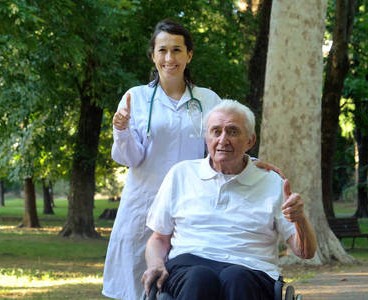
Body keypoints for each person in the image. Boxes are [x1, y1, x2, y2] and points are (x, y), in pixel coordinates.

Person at [103, 20, 281, 300]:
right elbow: (130, 157)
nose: (169, 58)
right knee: (139, 282)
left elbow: (222, 142)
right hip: (144, 202)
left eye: (177, 50)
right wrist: (121, 130)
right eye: (162, 50)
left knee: (185, 278)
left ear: (189, 55)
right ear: (153, 55)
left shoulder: (207, 99)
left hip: (193, 205)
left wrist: (254, 162)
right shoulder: (135, 98)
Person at [141, 100, 317, 300]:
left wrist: (299, 219)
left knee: (236, 278)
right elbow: (158, 238)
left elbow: (305, 252)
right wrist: (156, 264)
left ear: (250, 141)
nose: (223, 139)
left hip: (250, 268)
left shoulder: (272, 183)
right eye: (216, 131)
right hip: (188, 266)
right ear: (206, 137)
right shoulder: (181, 174)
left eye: (233, 132)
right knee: (201, 278)